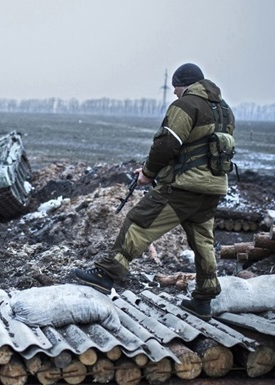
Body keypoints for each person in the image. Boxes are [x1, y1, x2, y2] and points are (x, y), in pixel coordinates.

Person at [71, 63, 235, 320]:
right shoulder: (225, 111)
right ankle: (204, 297)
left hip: (185, 187)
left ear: (185, 84)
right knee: (203, 241)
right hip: (213, 188)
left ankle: (107, 275)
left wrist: (148, 172)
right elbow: (203, 150)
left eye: (175, 87)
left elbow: (167, 143)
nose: (173, 93)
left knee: (140, 221)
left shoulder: (186, 105)